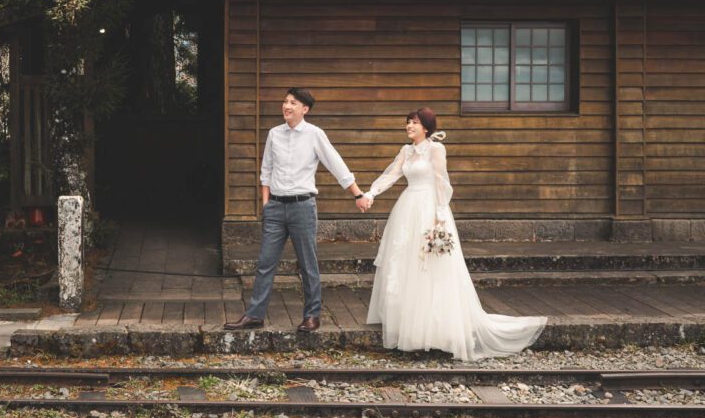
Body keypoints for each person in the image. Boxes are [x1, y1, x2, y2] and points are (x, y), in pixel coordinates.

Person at [361, 107, 546, 361]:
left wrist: (439, 217)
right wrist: (370, 193)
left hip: (429, 209)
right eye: (407, 122)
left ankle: (435, 327)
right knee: (404, 263)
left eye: (413, 122)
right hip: (407, 209)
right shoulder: (406, 151)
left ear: (426, 126)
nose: (408, 126)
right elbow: (391, 174)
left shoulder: (436, 149)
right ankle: (409, 325)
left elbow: (441, 181)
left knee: (431, 265)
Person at [224, 87, 370, 333]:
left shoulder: (314, 134)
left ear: (305, 109)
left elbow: (336, 164)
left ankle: (312, 316)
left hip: (302, 206)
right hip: (276, 208)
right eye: (285, 101)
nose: (287, 106)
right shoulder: (274, 134)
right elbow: (266, 170)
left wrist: (357, 193)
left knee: (307, 264)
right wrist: (266, 203)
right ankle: (254, 315)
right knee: (265, 262)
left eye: (293, 103)